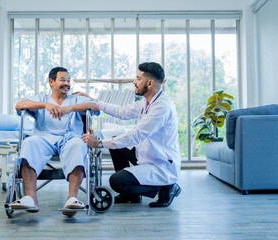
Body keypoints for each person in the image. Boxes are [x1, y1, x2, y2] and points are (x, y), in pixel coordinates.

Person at [82, 62, 181, 208]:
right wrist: (94, 101)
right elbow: (123, 111)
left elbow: (136, 136)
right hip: (147, 154)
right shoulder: (147, 102)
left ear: (150, 82)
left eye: (138, 78)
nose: (134, 82)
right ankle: (132, 195)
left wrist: (98, 143)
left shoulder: (162, 107)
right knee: (116, 147)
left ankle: (167, 187)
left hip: (160, 164)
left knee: (117, 181)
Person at [10, 67, 99, 216]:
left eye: (69, 81)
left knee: (79, 144)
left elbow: (95, 107)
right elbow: (19, 105)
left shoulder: (76, 99)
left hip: (70, 137)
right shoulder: (42, 99)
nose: (67, 84)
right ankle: (31, 198)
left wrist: (70, 108)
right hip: (44, 137)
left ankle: (72, 199)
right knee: (29, 143)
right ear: (51, 82)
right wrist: (45, 105)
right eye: (63, 80)